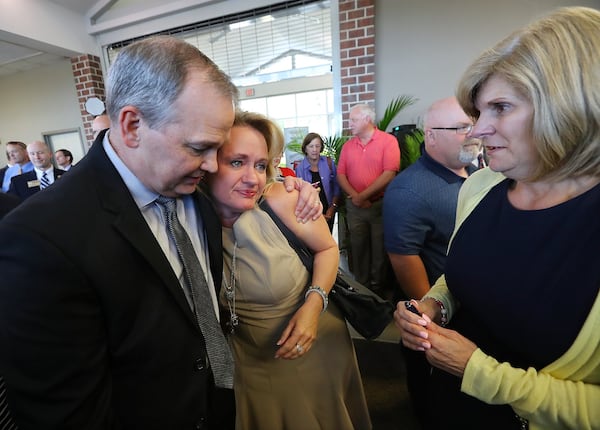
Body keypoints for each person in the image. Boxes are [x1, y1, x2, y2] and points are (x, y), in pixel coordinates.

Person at [0, 36, 321, 430]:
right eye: (199, 147)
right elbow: (67, 413)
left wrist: (297, 188)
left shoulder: (196, 189)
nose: (213, 165)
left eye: (218, 150)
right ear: (132, 125)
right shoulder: (40, 236)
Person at [396, 7, 600, 430]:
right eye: (478, 112)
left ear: (569, 106)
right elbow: (460, 276)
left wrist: (481, 373)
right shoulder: (482, 186)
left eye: (500, 107)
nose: (477, 131)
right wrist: (437, 305)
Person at [204, 111, 371, 430]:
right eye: (237, 162)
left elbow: (328, 248)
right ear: (207, 163)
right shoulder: (189, 213)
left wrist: (313, 304)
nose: (252, 177)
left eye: (260, 164)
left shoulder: (283, 198)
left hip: (311, 347)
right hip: (244, 357)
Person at [383, 96, 479, 427]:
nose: (474, 133)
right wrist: (432, 320)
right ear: (431, 135)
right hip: (439, 320)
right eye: (462, 128)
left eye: (472, 124)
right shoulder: (408, 190)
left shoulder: (478, 173)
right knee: (434, 403)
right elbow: (405, 259)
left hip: (475, 315)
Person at [337, 103, 400, 292]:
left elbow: (389, 173)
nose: (349, 124)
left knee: (379, 250)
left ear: (367, 120)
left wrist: (362, 196)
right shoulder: (348, 146)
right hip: (355, 209)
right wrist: (356, 198)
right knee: (358, 248)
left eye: (353, 120)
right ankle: (361, 289)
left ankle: (378, 291)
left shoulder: (388, 141)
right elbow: (341, 174)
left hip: (379, 206)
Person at [295, 132, 341, 231]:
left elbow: (336, 187)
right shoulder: (300, 169)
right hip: (311, 214)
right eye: (311, 146)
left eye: (317, 146)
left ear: (321, 147)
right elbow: (300, 196)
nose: (314, 150)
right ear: (305, 148)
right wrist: (318, 214)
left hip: (329, 212)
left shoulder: (329, 163)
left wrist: (332, 209)